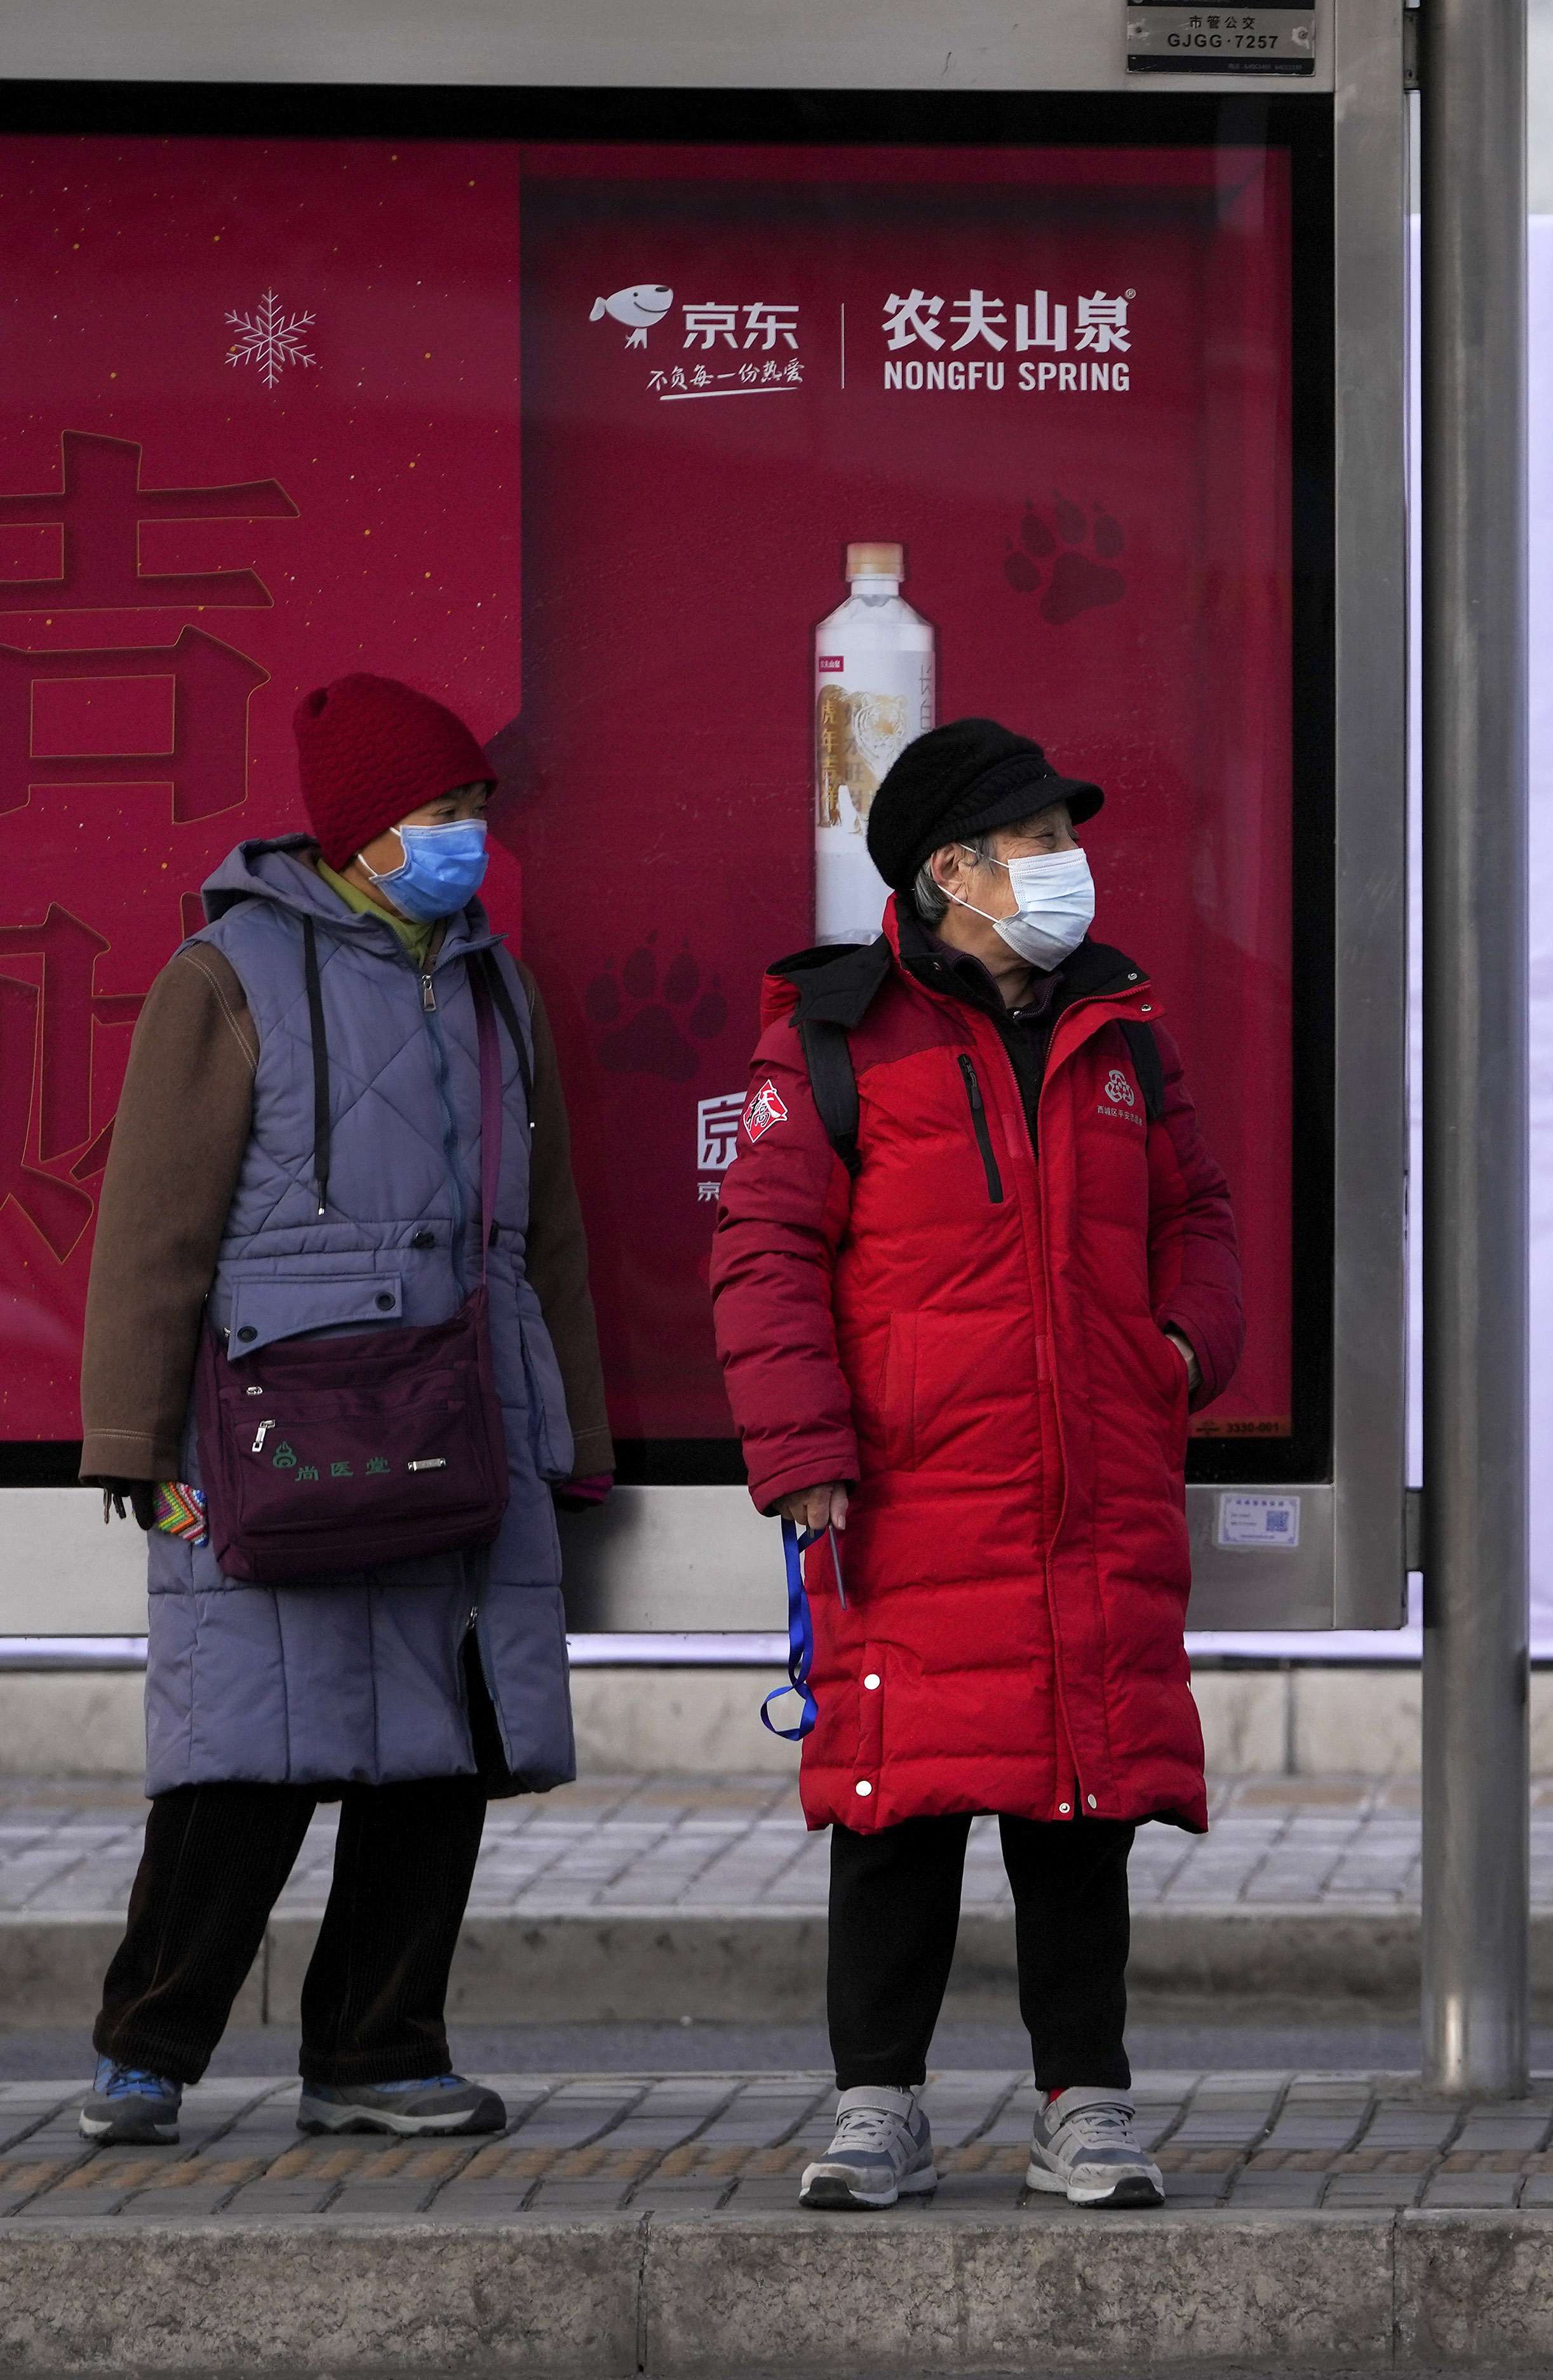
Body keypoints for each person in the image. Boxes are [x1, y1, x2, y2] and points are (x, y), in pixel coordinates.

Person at [709, 717, 1239, 2211]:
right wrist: (802, 1446)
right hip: (909, 1493)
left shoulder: (1120, 1025)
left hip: (1091, 1486)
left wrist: (1178, 1352)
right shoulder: (837, 1035)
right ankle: (878, 2106)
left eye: (1069, 838)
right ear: (951, 870)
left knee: (1084, 1802)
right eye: (1039, 842)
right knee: (898, 1801)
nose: (1070, 864)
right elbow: (762, 1250)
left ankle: (1088, 2105)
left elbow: (1196, 1212)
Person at [74, 673, 610, 2146]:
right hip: (279, 1427)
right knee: (243, 1752)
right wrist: (131, 1438)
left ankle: (379, 2051)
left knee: (441, 1752)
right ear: (364, 829)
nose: (467, 837)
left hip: (464, 1415)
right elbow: (154, 1227)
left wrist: (573, 1434)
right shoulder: (227, 974)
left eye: (477, 808)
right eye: (442, 810)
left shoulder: (497, 986)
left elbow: (548, 1234)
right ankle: (146, 2048)